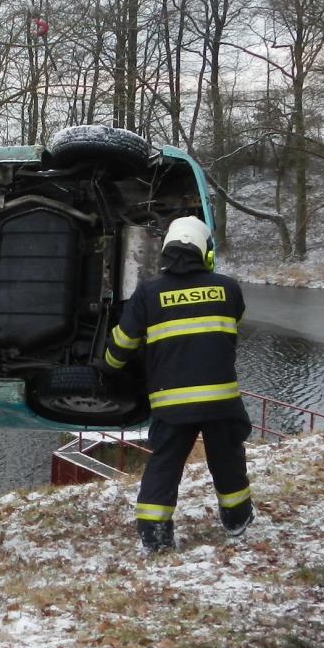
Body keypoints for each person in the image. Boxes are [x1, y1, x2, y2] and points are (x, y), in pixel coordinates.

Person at [102, 215, 253, 554]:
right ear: (205, 253)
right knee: (227, 458)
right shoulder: (228, 288)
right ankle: (237, 518)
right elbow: (234, 322)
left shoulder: (148, 293)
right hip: (221, 400)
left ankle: (155, 533)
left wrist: (108, 368)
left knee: (165, 463)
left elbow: (124, 343)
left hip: (172, 404)